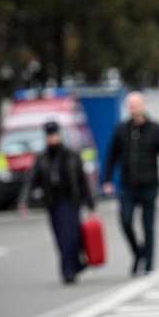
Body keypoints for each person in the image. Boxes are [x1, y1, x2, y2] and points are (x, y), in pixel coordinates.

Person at [102, 92, 159, 276]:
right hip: (127, 185)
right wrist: (107, 180)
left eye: (136, 104)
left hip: (149, 184)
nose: (133, 108)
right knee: (125, 221)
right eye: (130, 105)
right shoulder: (121, 130)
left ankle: (148, 262)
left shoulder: (156, 129)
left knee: (147, 225)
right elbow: (111, 156)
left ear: (143, 105)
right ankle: (138, 253)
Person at [18, 121, 96, 284]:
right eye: (49, 136)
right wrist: (24, 200)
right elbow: (31, 180)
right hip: (53, 203)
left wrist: (90, 202)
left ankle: (69, 270)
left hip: (71, 201)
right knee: (61, 238)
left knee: (73, 237)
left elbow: (82, 180)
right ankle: (73, 266)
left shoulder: (71, 155)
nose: (53, 138)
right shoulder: (42, 158)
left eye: (55, 135)